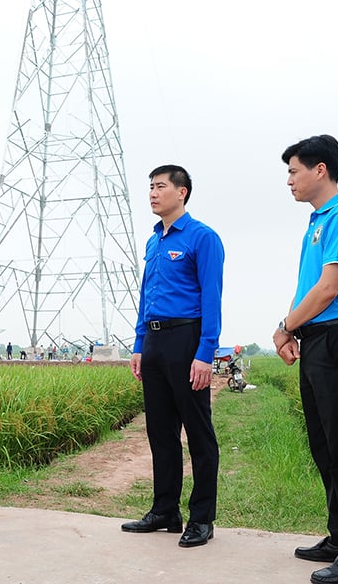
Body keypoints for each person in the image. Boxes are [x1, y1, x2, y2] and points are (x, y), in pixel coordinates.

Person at [272, 135, 338, 584]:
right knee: (324, 446)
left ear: (321, 170)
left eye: (294, 171)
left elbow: (328, 289)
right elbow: (309, 289)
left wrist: (285, 326)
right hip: (317, 341)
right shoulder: (317, 221)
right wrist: (296, 327)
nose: (290, 181)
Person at [123, 165, 223, 548]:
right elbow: (146, 296)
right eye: (150, 187)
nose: (152, 193)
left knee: (198, 433)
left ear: (181, 192)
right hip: (155, 341)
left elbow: (211, 297)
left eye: (160, 186)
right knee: (160, 431)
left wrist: (205, 352)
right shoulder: (153, 242)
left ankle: (202, 518)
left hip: (187, 338)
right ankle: (165, 510)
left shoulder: (202, 238)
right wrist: (138, 344)